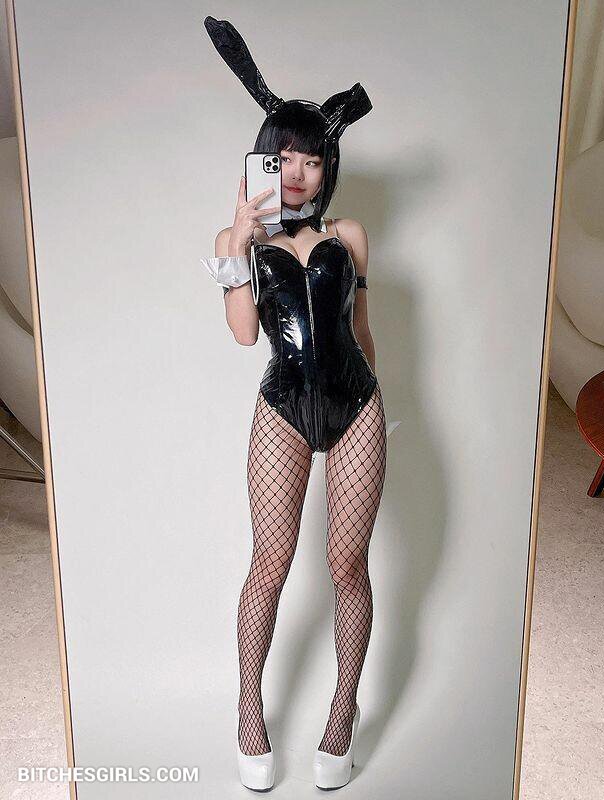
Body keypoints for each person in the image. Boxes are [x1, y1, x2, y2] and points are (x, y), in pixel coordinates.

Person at [201, 17, 388, 791]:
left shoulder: (350, 234)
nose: (301, 172)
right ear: (265, 160)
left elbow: (363, 332)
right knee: (269, 565)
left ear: (327, 165)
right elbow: (245, 334)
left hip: (357, 408)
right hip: (282, 406)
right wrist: (239, 245)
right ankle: (249, 707)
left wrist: (382, 412)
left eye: (314, 158)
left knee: (347, 565)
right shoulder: (241, 239)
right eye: (286, 158)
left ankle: (343, 711)